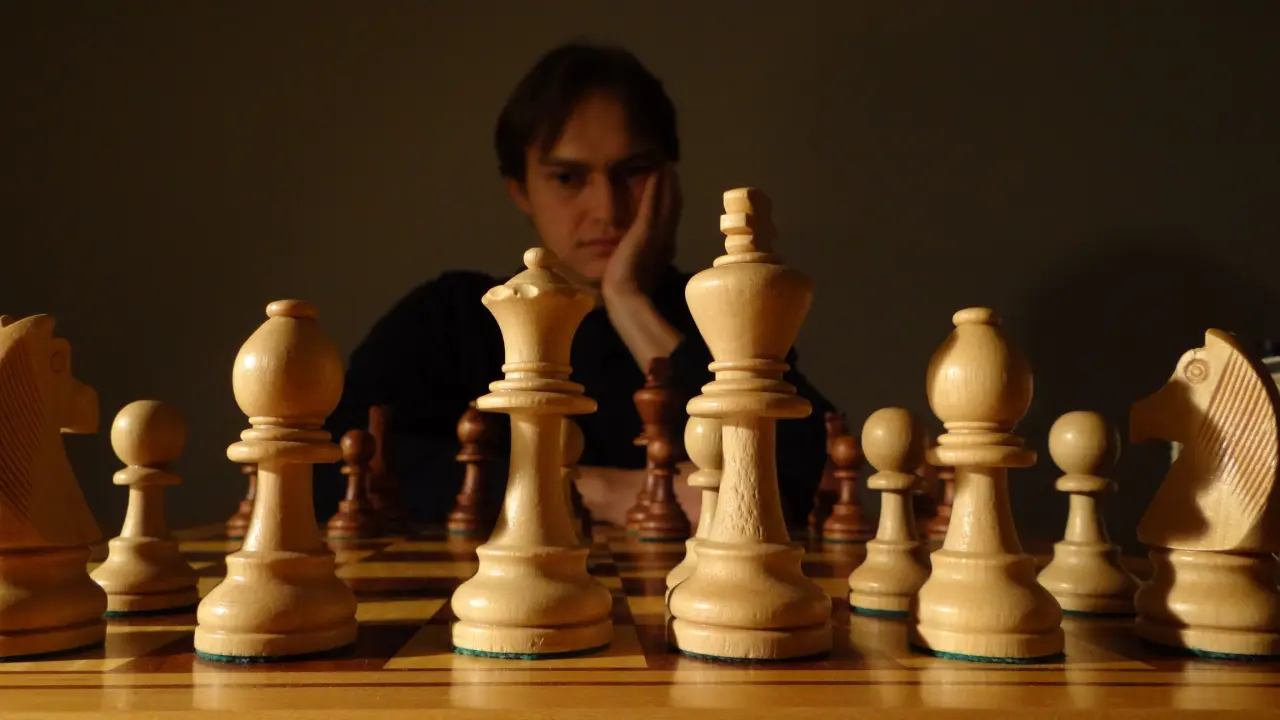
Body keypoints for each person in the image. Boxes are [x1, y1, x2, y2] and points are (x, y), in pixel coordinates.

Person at [314, 42, 836, 529]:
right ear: (520, 190)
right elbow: (329, 461)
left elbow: (813, 473)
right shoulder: (454, 318)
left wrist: (627, 301)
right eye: (568, 178)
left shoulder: (725, 316)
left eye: (633, 172)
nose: (607, 210)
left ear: (669, 180)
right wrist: (600, 491)